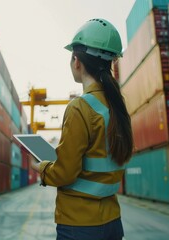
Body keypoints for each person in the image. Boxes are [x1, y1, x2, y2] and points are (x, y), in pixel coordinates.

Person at [31, 18, 133, 240]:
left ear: (76, 61)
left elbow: (65, 173)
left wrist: (42, 167)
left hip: (80, 226)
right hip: (112, 222)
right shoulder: (118, 107)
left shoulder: (80, 107)